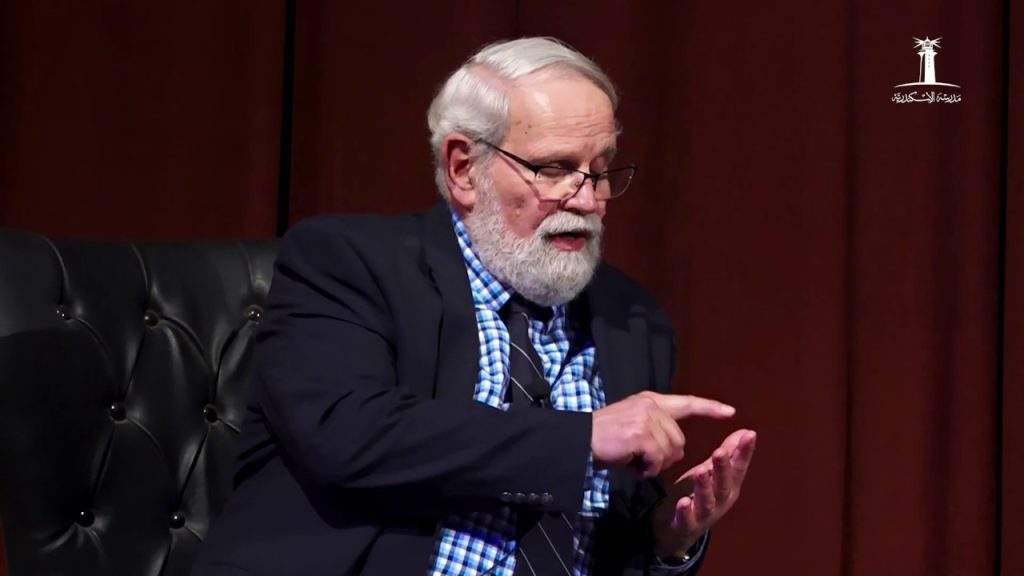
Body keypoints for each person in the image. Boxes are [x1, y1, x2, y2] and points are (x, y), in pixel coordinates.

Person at [193, 37, 756, 576]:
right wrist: (581, 439)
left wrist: (667, 538)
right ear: (463, 168)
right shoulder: (348, 262)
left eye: (601, 168)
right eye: (554, 168)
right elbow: (349, 435)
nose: (588, 199)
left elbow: (609, 546)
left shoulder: (632, 319)